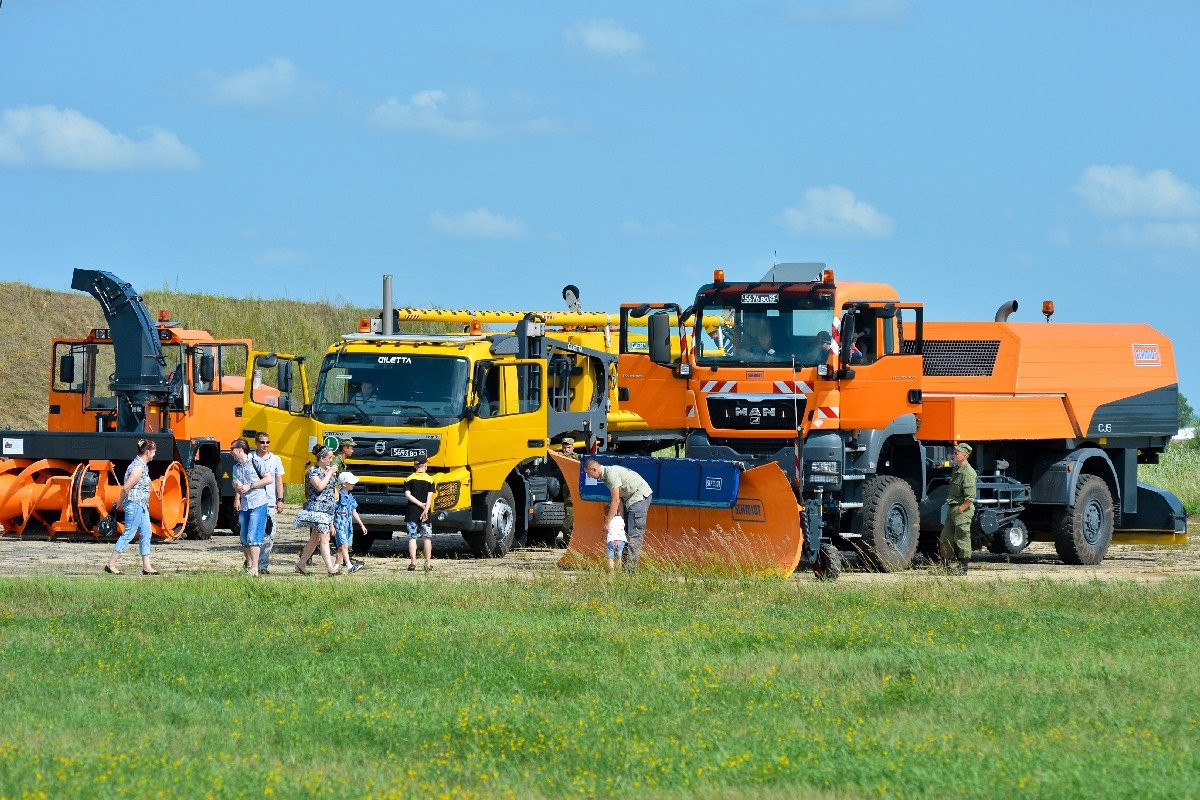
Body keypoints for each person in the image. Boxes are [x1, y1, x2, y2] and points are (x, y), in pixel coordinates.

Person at [583, 459, 653, 572]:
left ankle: (630, 572)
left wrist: (608, 522)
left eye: (588, 473)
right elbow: (618, 499)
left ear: (594, 469)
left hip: (638, 497)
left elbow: (615, 500)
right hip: (631, 499)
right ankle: (623, 568)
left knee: (634, 535)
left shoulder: (610, 475)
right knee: (624, 533)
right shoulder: (606, 476)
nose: (589, 476)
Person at [105, 438, 160, 575]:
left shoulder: (141, 465)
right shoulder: (138, 468)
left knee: (146, 533)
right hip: (135, 505)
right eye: (153, 451)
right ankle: (111, 564)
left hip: (141, 506)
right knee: (128, 533)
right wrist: (119, 502)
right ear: (147, 452)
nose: (154, 454)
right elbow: (126, 488)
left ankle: (146, 567)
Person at [293, 444, 341, 576]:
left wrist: (331, 521)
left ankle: (301, 564)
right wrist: (329, 474)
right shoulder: (313, 472)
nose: (331, 460)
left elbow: (332, 493)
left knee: (315, 539)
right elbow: (319, 487)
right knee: (324, 538)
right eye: (330, 457)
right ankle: (331, 569)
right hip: (316, 510)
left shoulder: (329, 472)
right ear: (322, 458)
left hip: (327, 511)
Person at [230, 438, 273, 577]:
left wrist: (251, 485)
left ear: (240, 449)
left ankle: (255, 568)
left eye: (232, 449)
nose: (231, 452)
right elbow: (235, 482)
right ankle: (248, 564)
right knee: (243, 537)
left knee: (254, 536)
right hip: (245, 505)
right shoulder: (236, 467)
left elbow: (268, 479)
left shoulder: (256, 461)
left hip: (258, 503)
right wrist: (236, 486)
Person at [250, 432, 285, 575]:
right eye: (262, 442)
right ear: (256, 443)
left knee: (270, 534)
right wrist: (238, 498)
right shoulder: (250, 458)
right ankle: (251, 563)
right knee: (251, 534)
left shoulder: (275, 459)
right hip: (252, 501)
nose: (265, 445)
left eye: (267, 442)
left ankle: (263, 565)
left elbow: (279, 480)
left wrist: (280, 499)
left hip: (270, 502)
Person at [940, 442, 977, 575]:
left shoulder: (968, 473)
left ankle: (963, 568)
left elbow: (970, 498)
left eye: (957, 453)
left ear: (965, 455)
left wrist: (960, 510)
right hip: (953, 508)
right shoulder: (956, 470)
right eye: (954, 453)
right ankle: (946, 566)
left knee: (962, 537)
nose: (954, 455)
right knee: (945, 537)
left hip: (962, 509)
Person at [403, 454, 435, 572]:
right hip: (425, 513)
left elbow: (407, 495)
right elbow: (429, 497)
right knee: (427, 537)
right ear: (425, 465)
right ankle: (428, 563)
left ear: (415, 465)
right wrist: (425, 509)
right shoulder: (430, 480)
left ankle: (413, 563)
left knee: (412, 537)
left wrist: (418, 504)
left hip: (412, 512)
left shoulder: (408, 478)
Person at [333, 472, 367, 574]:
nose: (353, 485)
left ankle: (335, 567)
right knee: (344, 545)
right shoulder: (338, 495)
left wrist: (361, 524)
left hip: (348, 525)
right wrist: (331, 525)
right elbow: (332, 511)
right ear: (344, 484)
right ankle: (349, 565)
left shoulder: (350, 496)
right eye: (351, 483)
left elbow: (354, 511)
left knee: (341, 548)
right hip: (339, 524)